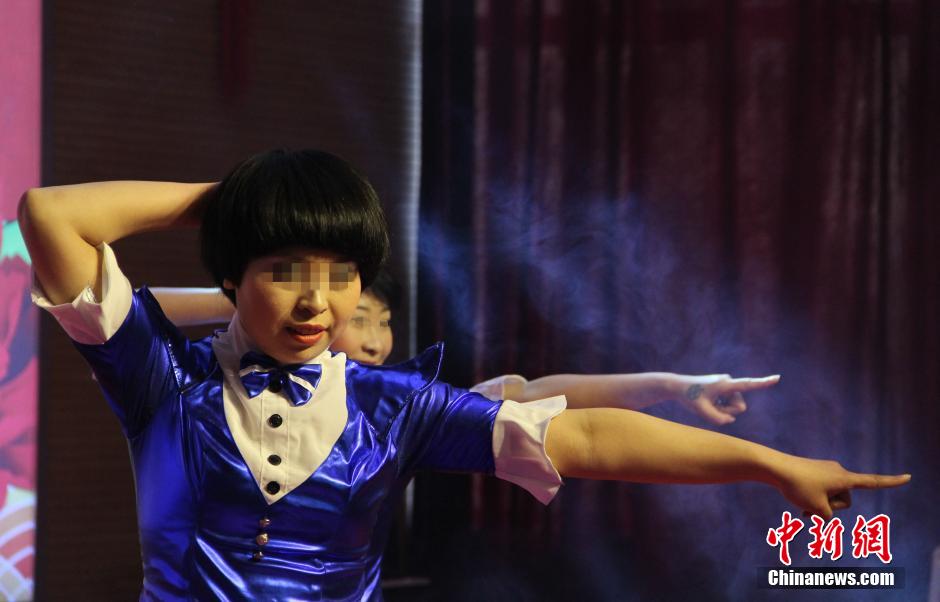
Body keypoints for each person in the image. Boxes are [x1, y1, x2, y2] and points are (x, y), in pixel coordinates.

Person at [19, 149, 910, 601]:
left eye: (341, 274)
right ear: (230, 278)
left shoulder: (396, 408)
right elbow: (50, 214)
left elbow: (587, 435)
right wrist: (243, 201)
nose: (317, 300)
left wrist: (768, 464)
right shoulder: (162, 381)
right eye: (285, 269)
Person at [152, 269, 770, 426]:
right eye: (361, 319)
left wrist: (677, 386)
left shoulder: (399, 404)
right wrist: (248, 300)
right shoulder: (221, 376)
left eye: (384, 322)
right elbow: (134, 310)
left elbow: (534, 393)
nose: (377, 339)